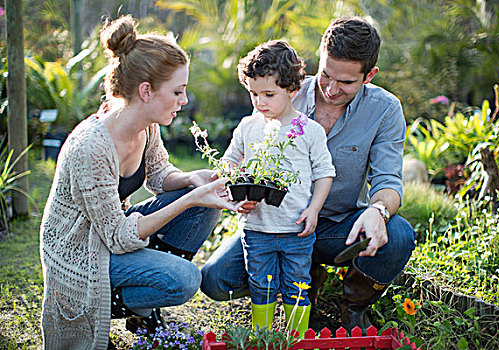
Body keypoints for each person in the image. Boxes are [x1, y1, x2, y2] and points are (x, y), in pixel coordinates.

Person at [39, 15, 243, 349]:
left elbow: (160, 177)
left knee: (202, 205)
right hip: (79, 251)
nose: (184, 100)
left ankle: (142, 309)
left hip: (109, 234)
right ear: (146, 91)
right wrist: (192, 197)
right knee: (185, 278)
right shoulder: (90, 148)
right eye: (177, 91)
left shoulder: (146, 124)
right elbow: (118, 237)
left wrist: (192, 179)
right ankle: (126, 302)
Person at [201, 17, 416, 332]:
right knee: (216, 281)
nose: (330, 88)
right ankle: (295, 281)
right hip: (276, 223)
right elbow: (248, 154)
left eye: (345, 82)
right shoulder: (283, 92)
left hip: (336, 228)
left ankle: (352, 306)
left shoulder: (385, 110)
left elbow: (388, 182)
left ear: (369, 76)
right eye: (326, 74)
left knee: (398, 235)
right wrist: (244, 190)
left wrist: (378, 211)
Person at [223, 40, 335, 336]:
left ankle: (297, 337)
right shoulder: (248, 126)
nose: (260, 102)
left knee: (297, 281)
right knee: (260, 280)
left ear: (292, 90)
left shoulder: (309, 131)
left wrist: (314, 209)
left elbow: (325, 172)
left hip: (296, 228)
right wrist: (239, 191)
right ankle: (264, 335)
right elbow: (229, 162)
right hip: (257, 226)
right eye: (253, 93)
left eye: (268, 94)